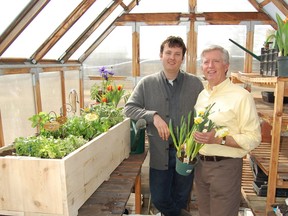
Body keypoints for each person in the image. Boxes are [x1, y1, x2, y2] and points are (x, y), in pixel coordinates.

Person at [124, 36, 203, 216]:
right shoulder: (147, 83)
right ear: (161, 55)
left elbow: (204, 113)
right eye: (168, 52)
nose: (172, 57)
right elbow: (129, 109)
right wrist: (153, 116)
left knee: (181, 198)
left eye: (177, 54)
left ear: (182, 58)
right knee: (160, 199)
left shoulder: (195, 84)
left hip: (186, 153)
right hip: (160, 153)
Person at [193, 45, 261, 216]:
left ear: (226, 66)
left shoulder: (241, 96)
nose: (210, 66)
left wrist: (219, 139)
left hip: (226, 168)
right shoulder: (203, 95)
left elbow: (253, 138)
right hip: (201, 166)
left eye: (216, 61)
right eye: (206, 62)